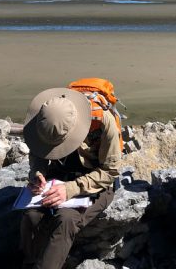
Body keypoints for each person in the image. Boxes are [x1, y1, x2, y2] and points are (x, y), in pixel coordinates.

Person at [20, 87, 122, 269]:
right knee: (31, 216)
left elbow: (110, 171)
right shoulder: (44, 116)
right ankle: (28, 262)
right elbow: (37, 151)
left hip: (96, 183)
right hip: (59, 176)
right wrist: (38, 174)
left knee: (66, 220)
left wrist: (70, 189)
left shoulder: (103, 121)